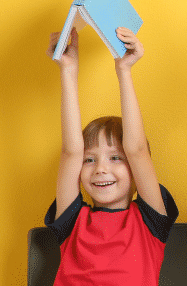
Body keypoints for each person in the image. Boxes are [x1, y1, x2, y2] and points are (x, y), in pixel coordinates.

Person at [45, 27, 178, 285]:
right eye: (90, 159)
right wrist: (68, 70)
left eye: (115, 157)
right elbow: (71, 151)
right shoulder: (72, 222)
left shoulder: (149, 222)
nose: (100, 169)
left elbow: (137, 150)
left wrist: (124, 70)